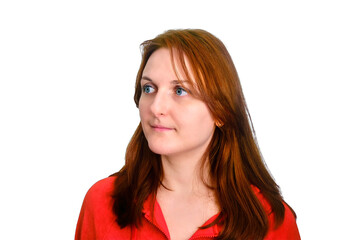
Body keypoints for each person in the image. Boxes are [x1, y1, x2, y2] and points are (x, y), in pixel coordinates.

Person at [75, 29, 300, 240]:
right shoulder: (102, 201)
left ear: (220, 112)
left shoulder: (271, 221)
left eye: (180, 90)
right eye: (149, 88)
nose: (156, 107)